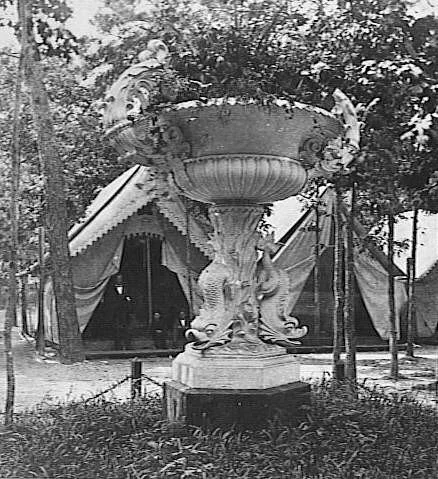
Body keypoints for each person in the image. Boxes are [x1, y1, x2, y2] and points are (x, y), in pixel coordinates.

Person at [109, 274, 134, 350]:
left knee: (126, 329)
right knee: (117, 329)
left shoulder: (127, 289)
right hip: (116, 312)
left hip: (125, 312)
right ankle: (118, 346)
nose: (119, 280)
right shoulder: (111, 289)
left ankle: (127, 345)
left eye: (120, 279)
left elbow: (130, 298)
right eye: (118, 279)